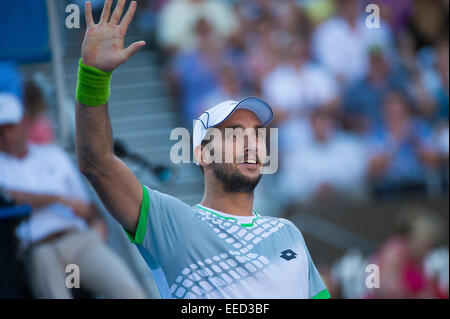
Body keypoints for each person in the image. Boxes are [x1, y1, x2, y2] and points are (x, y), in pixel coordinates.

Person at [75, 0, 330, 299]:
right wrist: (93, 77)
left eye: (257, 134)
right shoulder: (172, 223)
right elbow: (97, 163)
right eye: (234, 134)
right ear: (202, 153)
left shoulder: (289, 233)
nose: (251, 143)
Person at [0, 92, 146, 299]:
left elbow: (86, 206)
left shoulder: (54, 155)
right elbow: (9, 197)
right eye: (0, 130)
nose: (6, 135)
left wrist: (97, 224)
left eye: (10, 127)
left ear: (23, 122)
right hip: (38, 249)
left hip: (77, 241)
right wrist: (57, 199)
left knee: (129, 292)